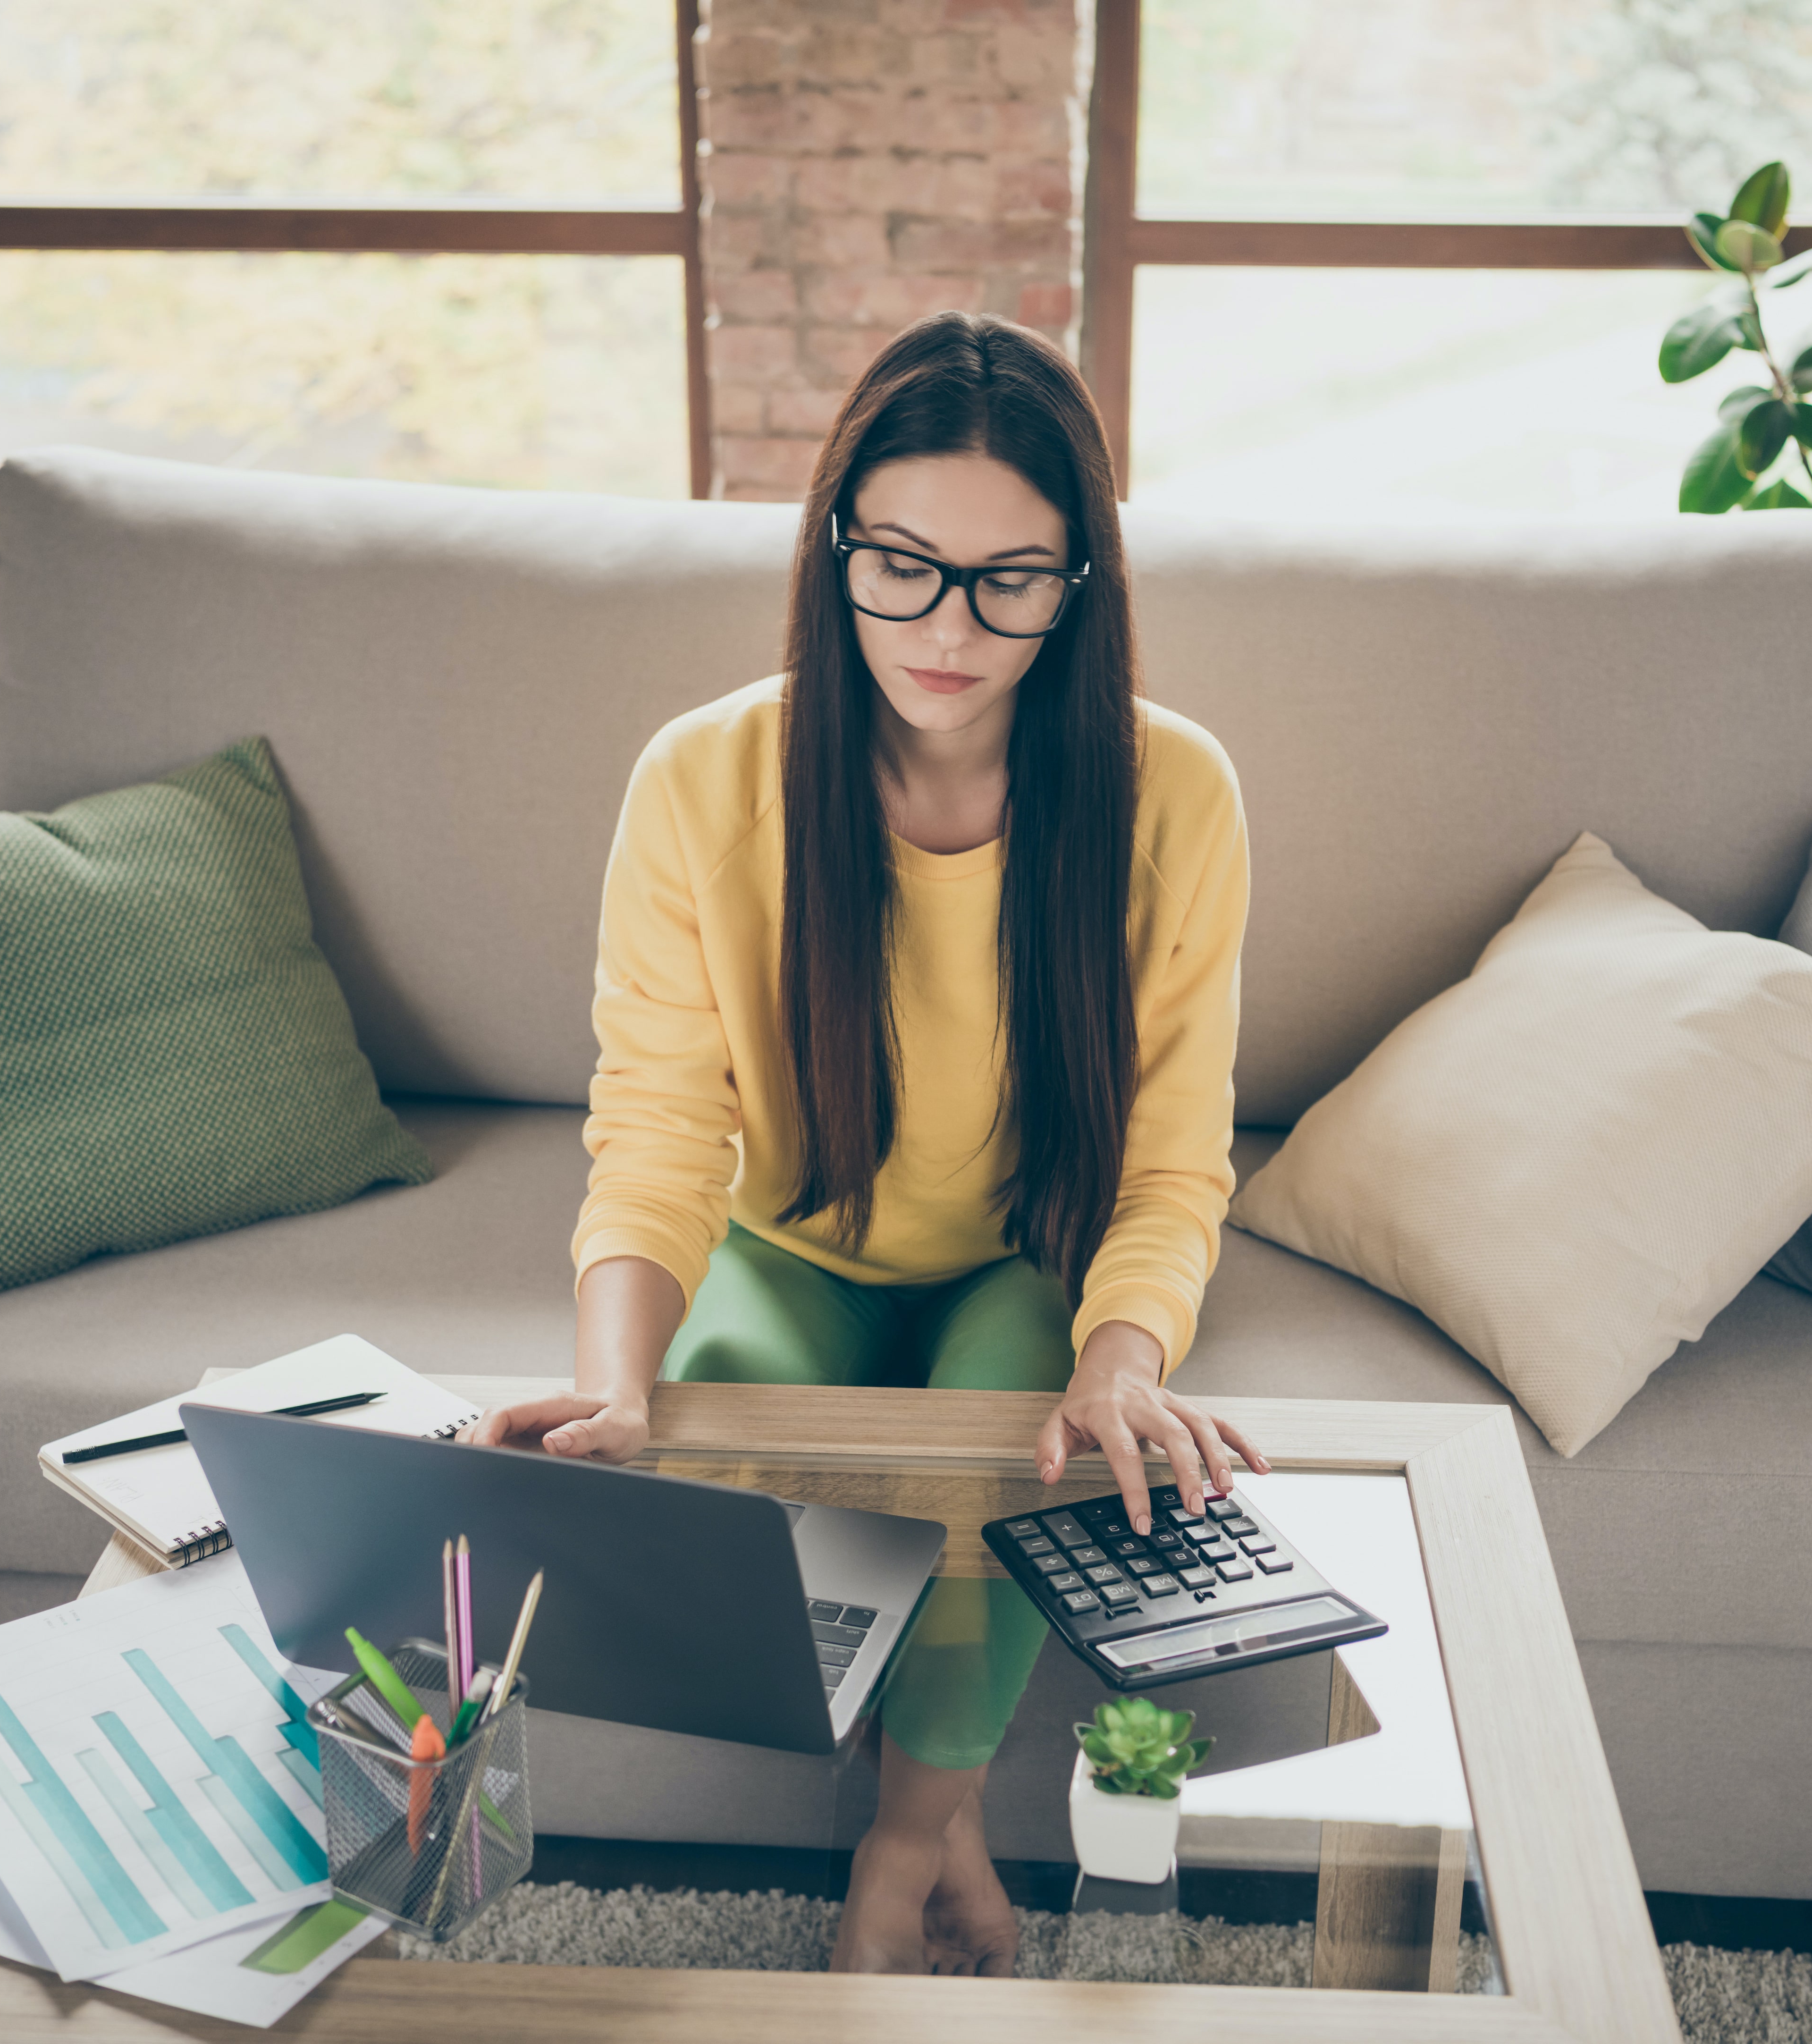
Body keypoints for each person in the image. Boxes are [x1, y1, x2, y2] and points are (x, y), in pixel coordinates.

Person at [466, 311, 1261, 1976]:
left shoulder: (1172, 791)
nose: (949, 627)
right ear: (835, 549)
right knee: (715, 1456)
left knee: (1012, 1451)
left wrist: (1120, 1359)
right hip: (789, 1248)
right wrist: (620, 1381)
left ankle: (898, 1861)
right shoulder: (704, 776)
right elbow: (663, 1122)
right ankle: (956, 1834)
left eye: (1009, 577)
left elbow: (1175, 1161)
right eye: (901, 561)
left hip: (1020, 1254)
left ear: (1079, 585)